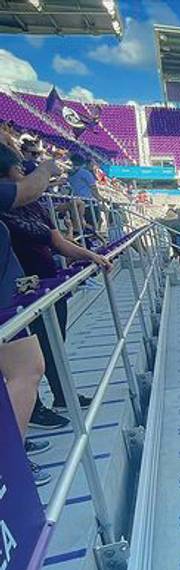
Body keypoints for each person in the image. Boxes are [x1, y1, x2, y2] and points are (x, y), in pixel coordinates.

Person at [1, 144, 110, 429]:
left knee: (52, 345)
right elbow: (30, 194)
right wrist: (45, 169)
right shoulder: (10, 205)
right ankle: (31, 414)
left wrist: (90, 255)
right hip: (18, 293)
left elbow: (56, 239)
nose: (24, 172)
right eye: (20, 168)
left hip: (47, 285)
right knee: (26, 362)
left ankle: (61, 395)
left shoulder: (33, 206)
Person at [0, 143, 68, 485]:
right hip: (9, 297)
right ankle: (9, 464)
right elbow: (28, 191)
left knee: (26, 369)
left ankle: (16, 450)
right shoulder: (17, 200)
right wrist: (47, 168)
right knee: (28, 368)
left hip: (16, 292)